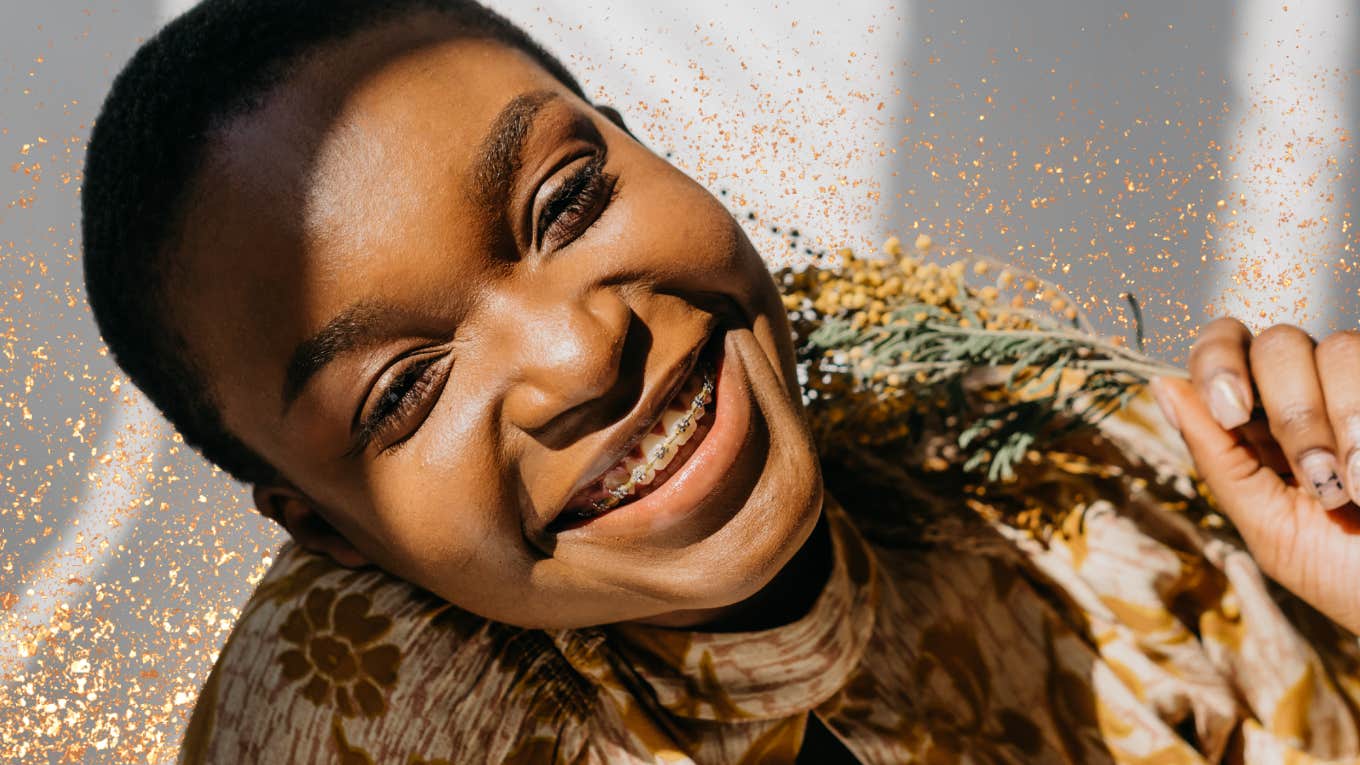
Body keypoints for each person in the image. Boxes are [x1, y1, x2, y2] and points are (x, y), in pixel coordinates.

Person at [79, 0, 1360, 762]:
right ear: (322, 528)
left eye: (569, 200)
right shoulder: (341, 715)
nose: (582, 355)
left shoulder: (1077, 521)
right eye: (405, 391)